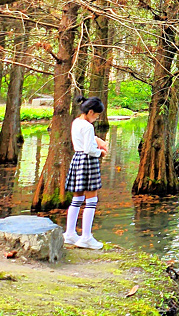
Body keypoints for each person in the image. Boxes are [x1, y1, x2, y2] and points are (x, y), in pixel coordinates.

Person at [64, 96, 109, 249]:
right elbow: (89, 149)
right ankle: (86, 237)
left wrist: (99, 141)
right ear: (90, 112)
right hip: (88, 160)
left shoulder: (76, 122)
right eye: (96, 115)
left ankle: (69, 234)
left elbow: (86, 140)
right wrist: (101, 152)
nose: (96, 118)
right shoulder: (88, 126)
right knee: (91, 199)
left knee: (77, 197)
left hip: (77, 159)